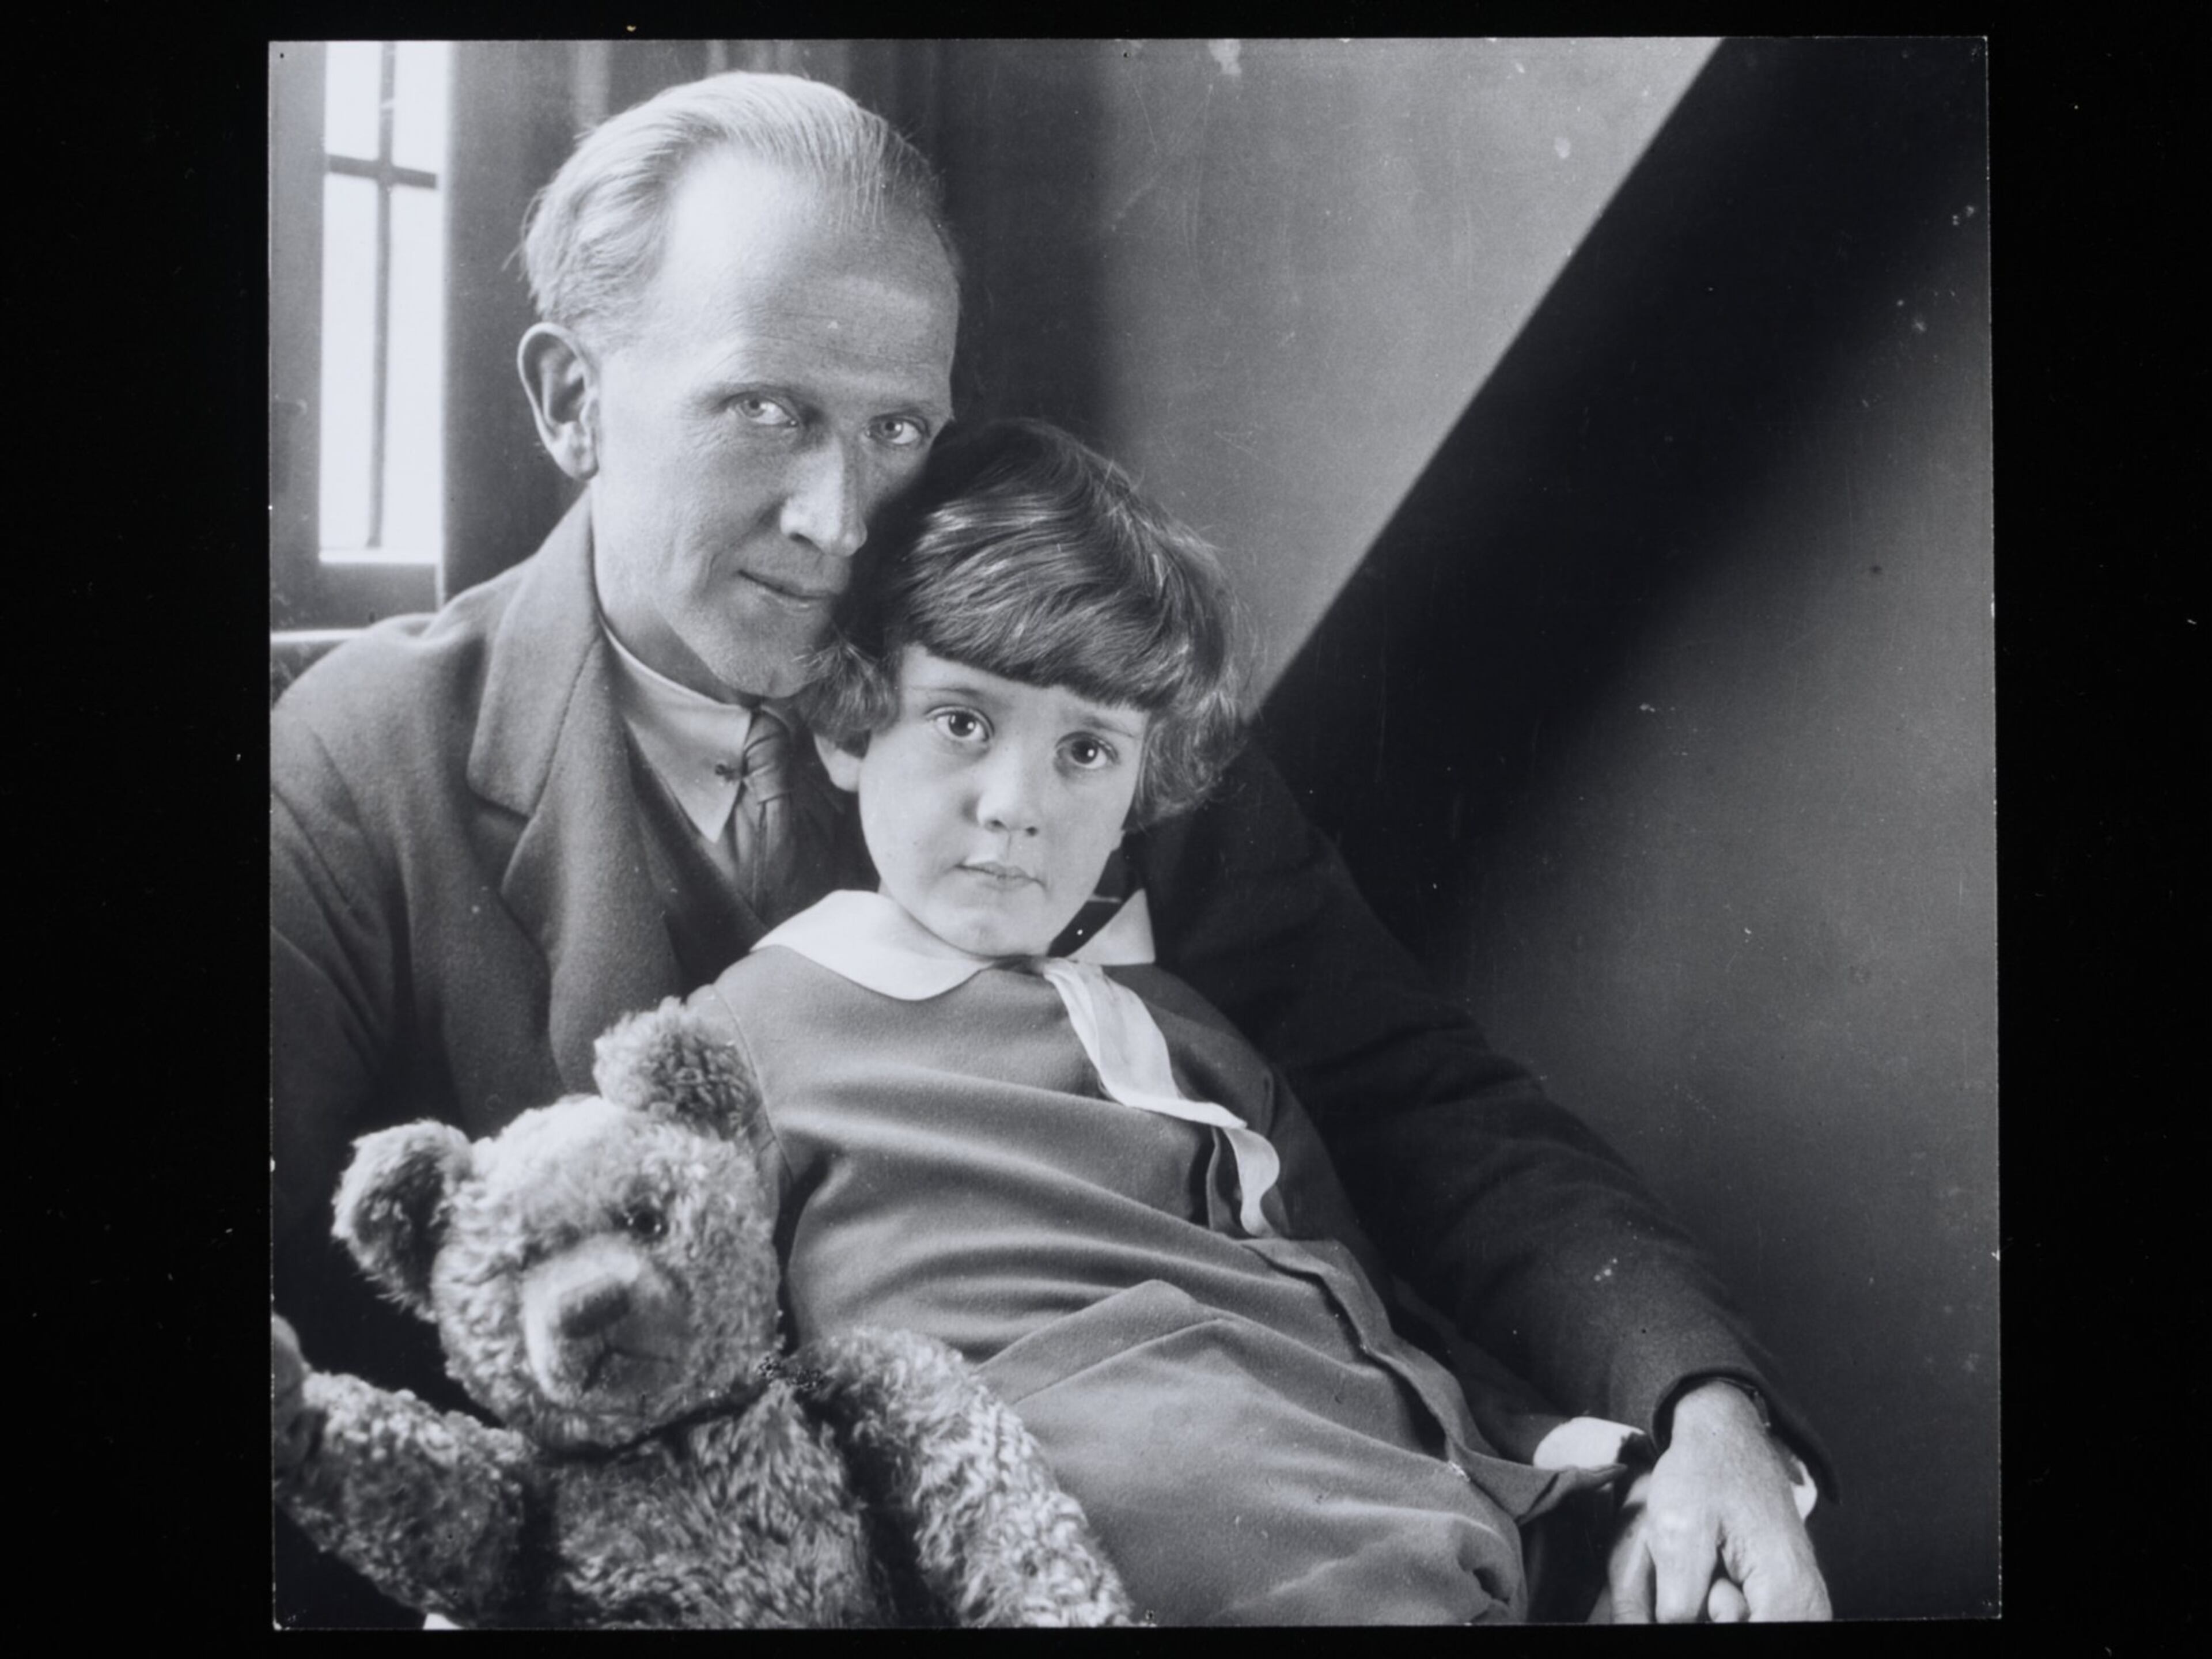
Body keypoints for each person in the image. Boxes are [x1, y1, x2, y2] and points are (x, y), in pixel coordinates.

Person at [271, 69, 1830, 1624]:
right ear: (570, 400)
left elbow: (1410, 1096)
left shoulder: (1060, 680)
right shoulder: (359, 763)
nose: (839, 517)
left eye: (896, 427)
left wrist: (1705, 1411)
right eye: (765, 410)